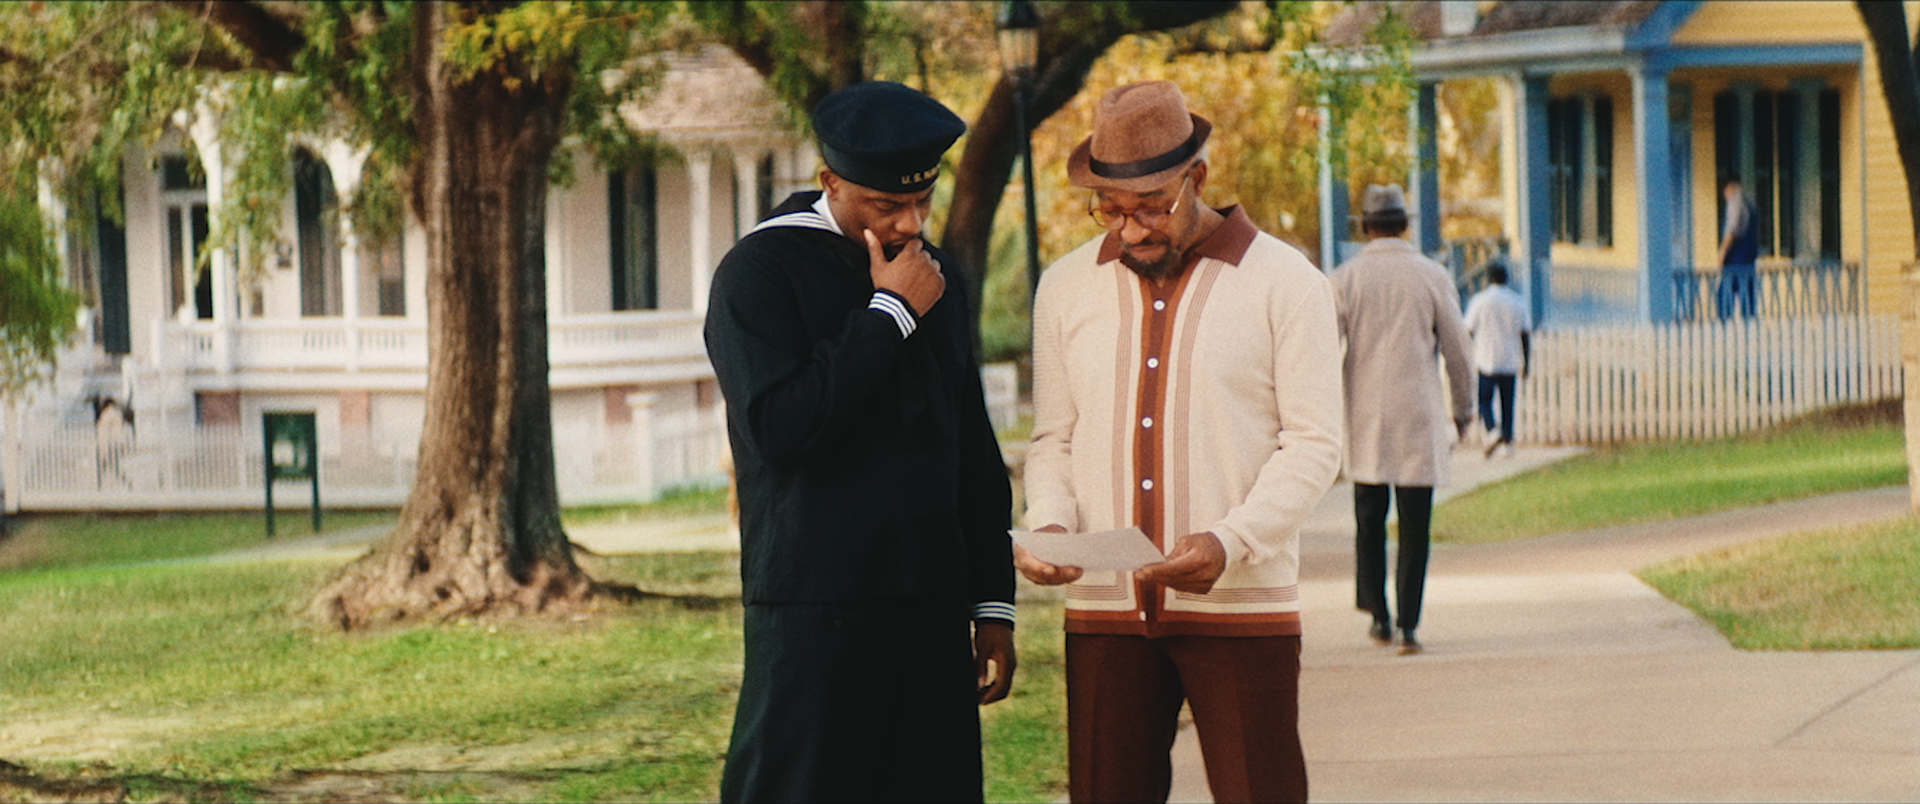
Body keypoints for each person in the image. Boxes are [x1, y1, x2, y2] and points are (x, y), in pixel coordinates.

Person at [1016, 80, 1343, 804]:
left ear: (1197, 177)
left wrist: (1231, 541)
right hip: (1103, 612)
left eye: (1151, 206)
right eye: (1110, 209)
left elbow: (1315, 443)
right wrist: (1051, 524)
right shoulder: (1064, 287)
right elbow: (1053, 439)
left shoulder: (1287, 283)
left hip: (1243, 607)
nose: (1131, 230)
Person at [703, 81, 1016, 803]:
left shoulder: (937, 276)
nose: (909, 223)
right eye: (885, 205)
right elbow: (779, 429)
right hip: (815, 604)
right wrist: (890, 313)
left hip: (931, 604)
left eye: (923, 201)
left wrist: (992, 603)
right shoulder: (757, 273)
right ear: (831, 182)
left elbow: (968, 444)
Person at [1328, 183, 1474, 656]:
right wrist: (1464, 409)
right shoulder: (1431, 275)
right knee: (1415, 524)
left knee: (1369, 520)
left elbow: (1323, 349)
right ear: (1404, 225)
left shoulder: (1345, 279)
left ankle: (1378, 614)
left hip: (1366, 414)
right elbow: (1458, 350)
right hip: (1417, 413)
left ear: (1366, 228)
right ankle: (1409, 624)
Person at [1462, 260, 1531, 457]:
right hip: (1509, 358)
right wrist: (1527, 363)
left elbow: (1468, 331)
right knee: (1507, 403)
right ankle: (1507, 443)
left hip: (1486, 359)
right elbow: (1525, 334)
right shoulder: (1517, 301)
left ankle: (1492, 429)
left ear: (1488, 279)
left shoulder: (1479, 301)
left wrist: (1467, 356)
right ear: (1506, 279)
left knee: (1484, 400)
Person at [1717, 176, 1760, 320]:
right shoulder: (1750, 201)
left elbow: (1732, 229)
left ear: (1728, 188)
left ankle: (1723, 321)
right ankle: (1749, 319)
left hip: (1737, 253)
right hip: (1749, 253)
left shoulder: (1735, 201)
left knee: (1725, 290)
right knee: (1747, 289)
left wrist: (1722, 252)